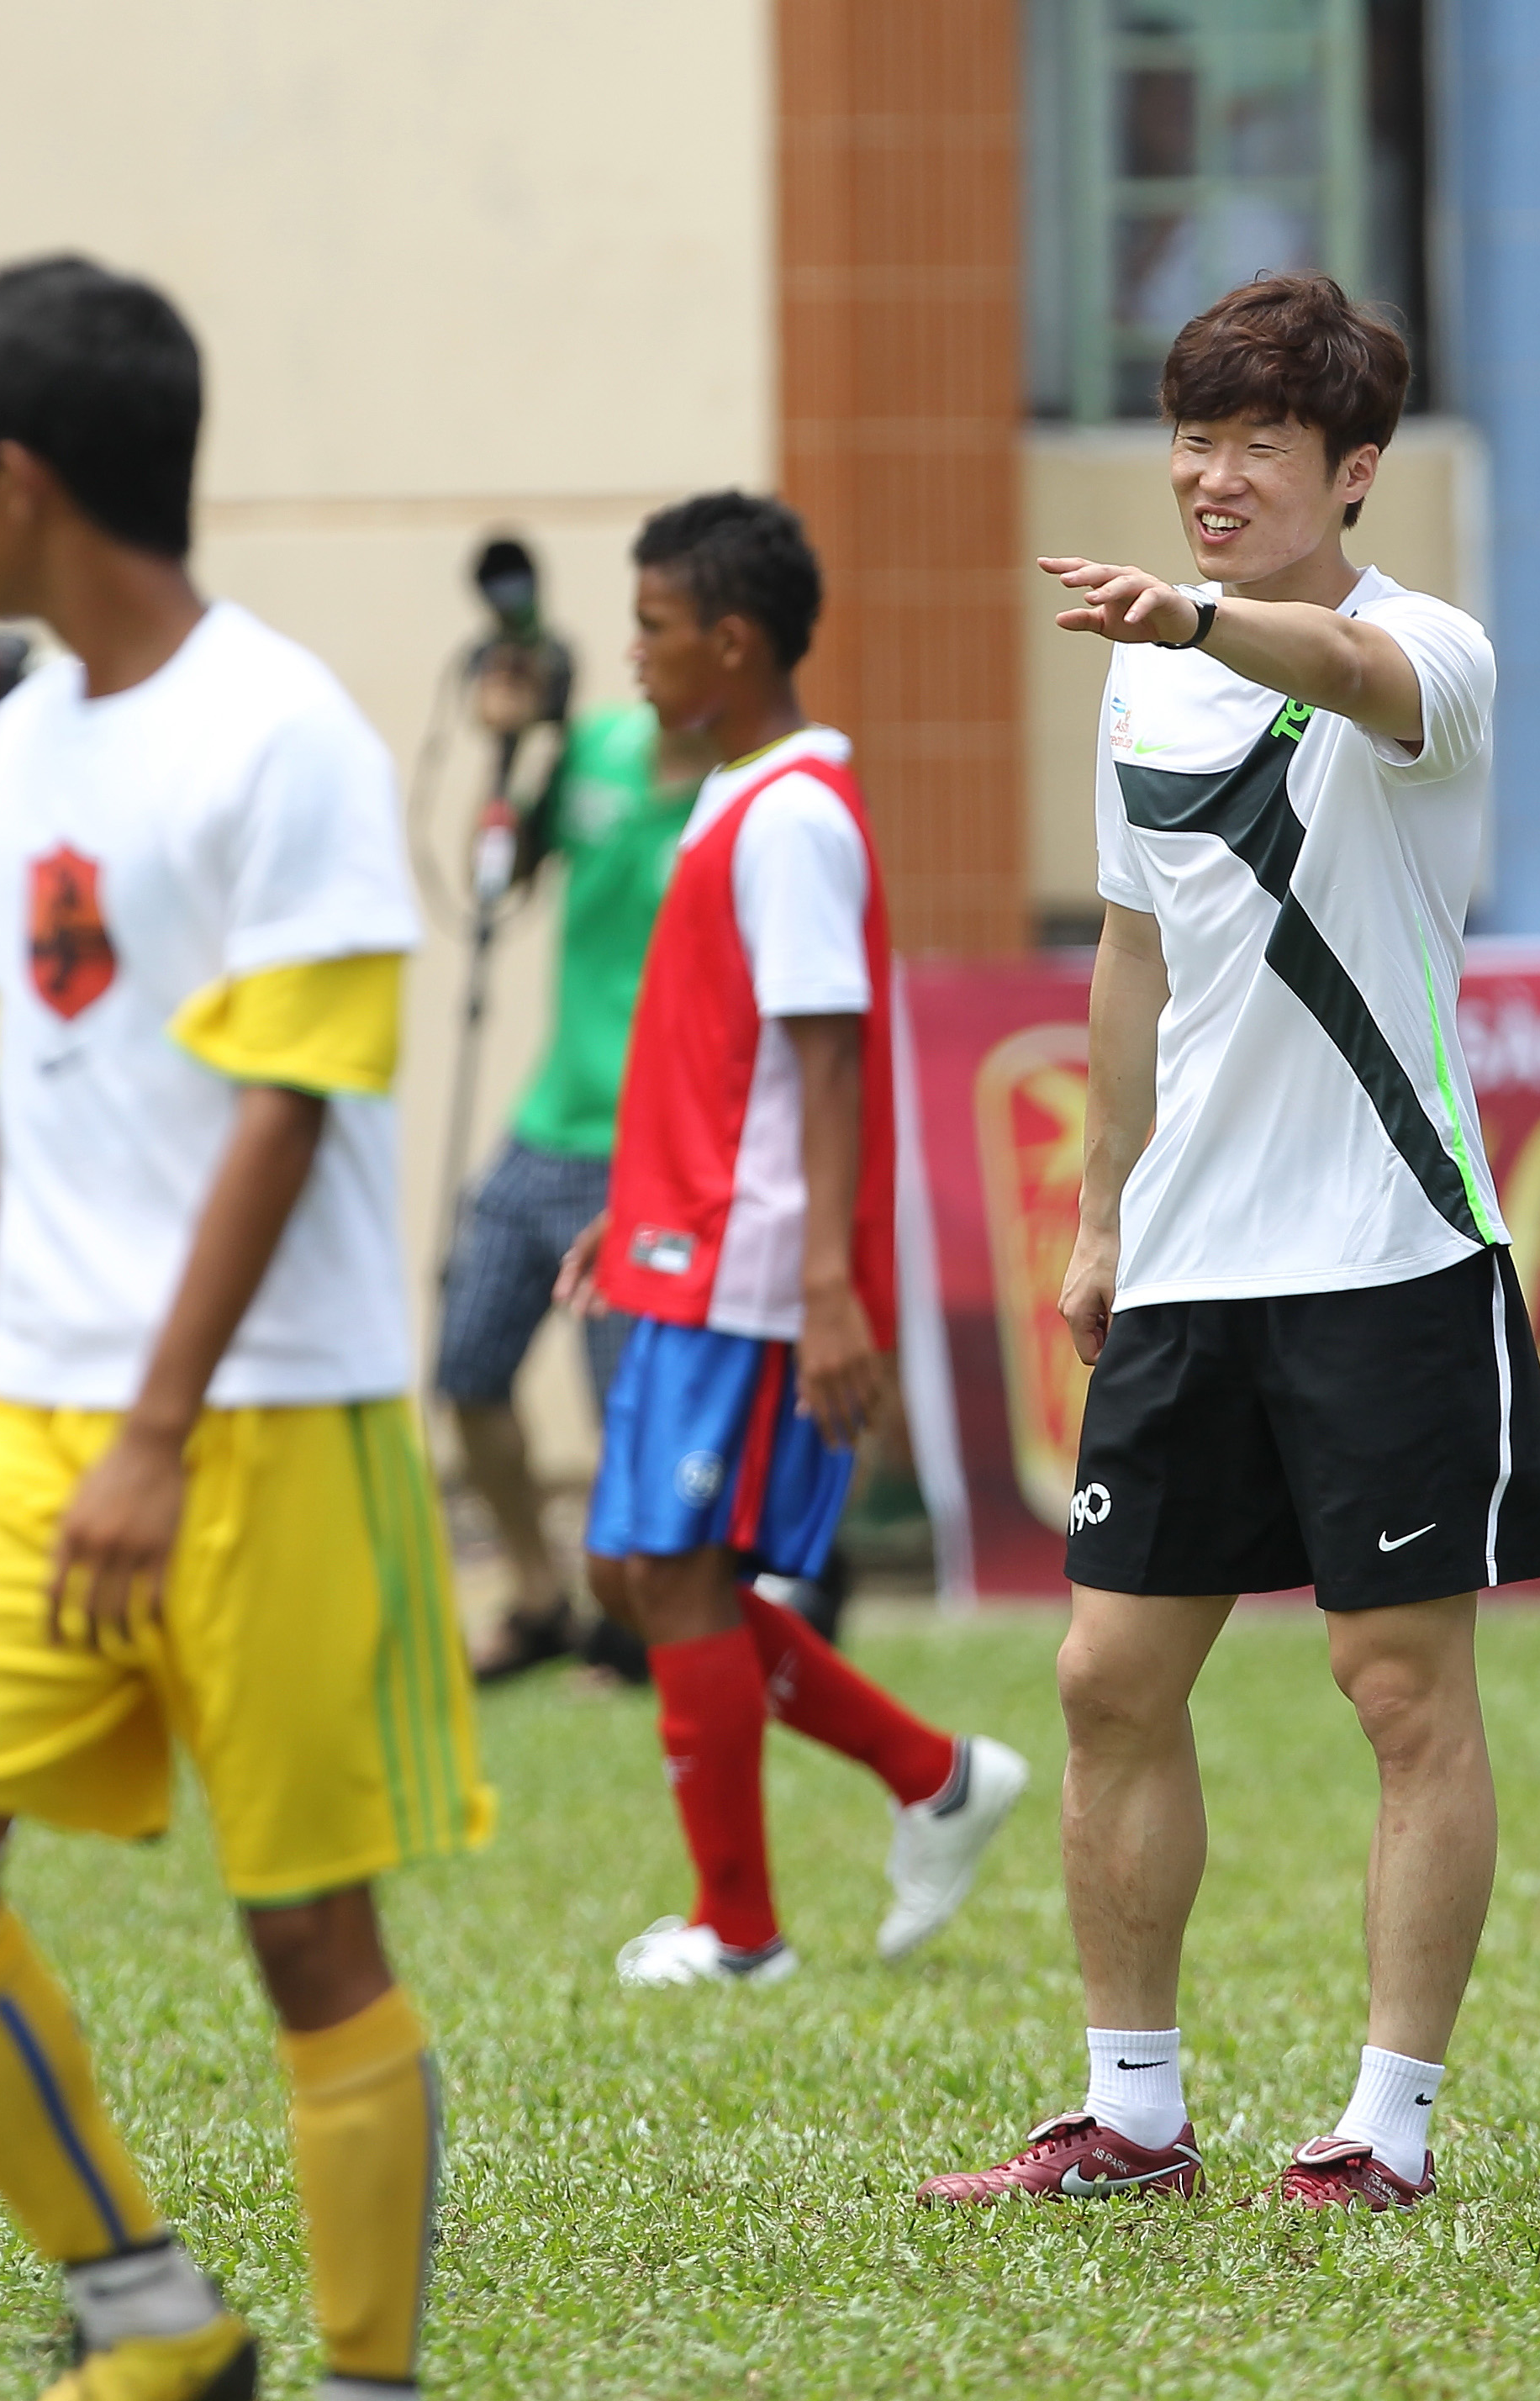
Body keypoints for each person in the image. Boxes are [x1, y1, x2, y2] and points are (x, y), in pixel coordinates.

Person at [0, 255, 486, 2401]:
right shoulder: (5, 758)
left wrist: (151, 1429)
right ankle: (151, 2318)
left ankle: (367, 2376)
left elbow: (288, 1106)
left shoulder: (280, 731)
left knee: (304, 1931)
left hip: (262, 1428)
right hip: (30, 1427)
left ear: (11, 476)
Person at [918, 272, 1540, 2215]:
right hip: (1190, 1267)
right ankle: (1129, 2116)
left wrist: (1194, 616)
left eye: (1255, 446)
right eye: (1189, 441)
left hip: (1388, 1251)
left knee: (1396, 1691)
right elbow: (1131, 954)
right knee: (1104, 1677)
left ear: (1351, 471)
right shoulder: (1142, 677)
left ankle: (1385, 2128)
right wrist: (1101, 1211)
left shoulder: (1427, 648)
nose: (1208, 477)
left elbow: (1346, 677)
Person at [556, 493, 1029, 1990]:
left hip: (754, 1265)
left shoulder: (795, 817)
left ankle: (741, 1932)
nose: (634, 654)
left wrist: (829, 1287)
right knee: (633, 1572)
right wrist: (632, 1211)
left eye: (653, 625)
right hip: (692, 1245)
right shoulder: (736, 796)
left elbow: (829, 1062)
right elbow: (726, 1063)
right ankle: (936, 1777)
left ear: (733, 640)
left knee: (670, 1570)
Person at [441, 667, 710, 1679]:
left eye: (663, 627)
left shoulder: (748, 791)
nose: (643, 652)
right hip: (544, 1124)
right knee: (465, 1372)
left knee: (622, 1411)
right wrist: (510, 755)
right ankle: (537, 1596)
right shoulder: (594, 746)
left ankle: (629, 1617)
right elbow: (495, 880)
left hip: (649, 1151)